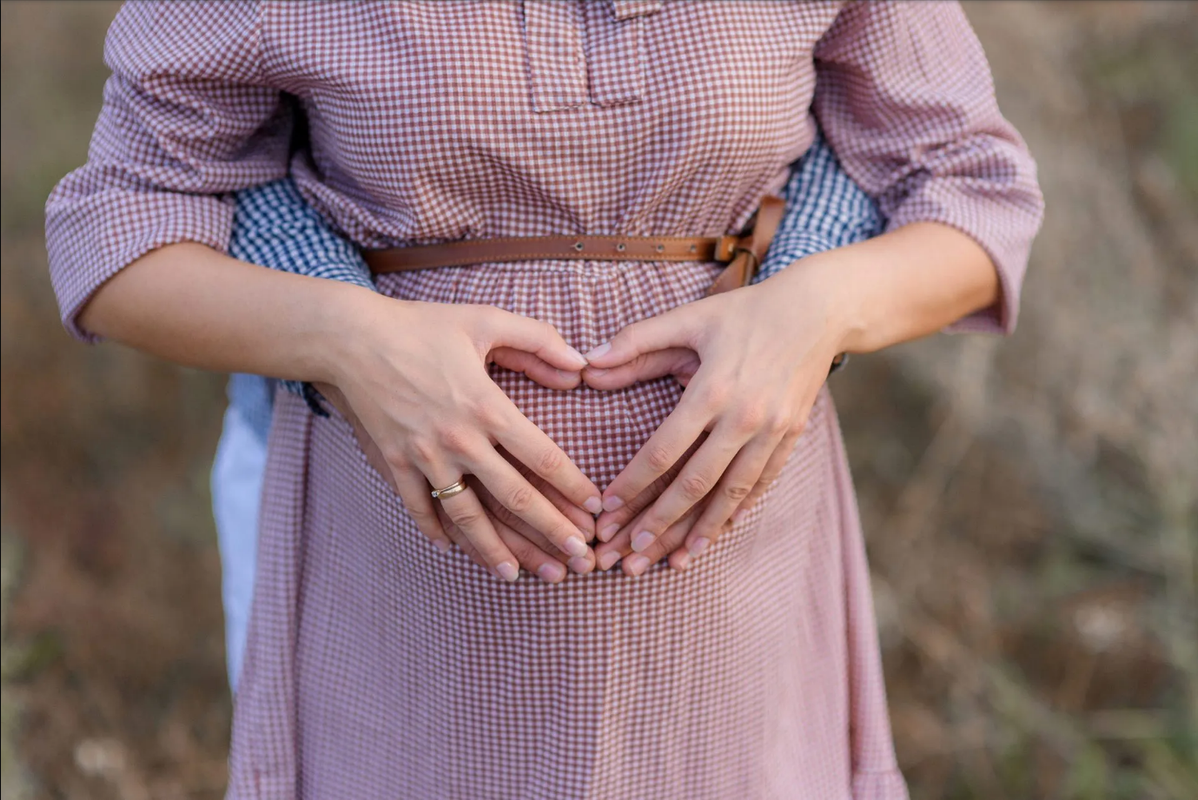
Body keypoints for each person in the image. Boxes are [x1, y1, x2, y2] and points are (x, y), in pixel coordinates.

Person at [46, 2, 1043, 797]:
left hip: (733, 608)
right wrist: (352, 342)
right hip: (412, 599)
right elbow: (115, 232)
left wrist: (816, 307)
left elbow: (969, 188)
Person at [212, 134, 883, 690]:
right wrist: (354, 341)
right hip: (382, 563)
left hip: (731, 590)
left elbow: (890, 150)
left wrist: (803, 300)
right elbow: (210, 166)